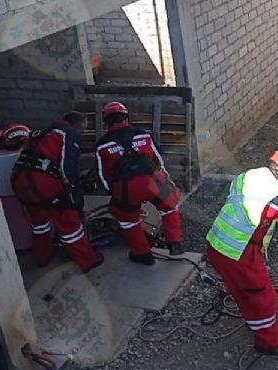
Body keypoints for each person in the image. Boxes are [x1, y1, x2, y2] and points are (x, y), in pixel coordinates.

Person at [205, 147, 278, 357]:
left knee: (242, 291)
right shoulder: (276, 196)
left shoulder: (250, 175)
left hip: (218, 242)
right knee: (263, 298)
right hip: (238, 252)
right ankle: (268, 343)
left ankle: (254, 322)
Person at [11, 112, 103, 272]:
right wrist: (74, 195)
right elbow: (68, 168)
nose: (81, 133)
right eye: (82, 129)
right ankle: (87, 260)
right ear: (76, 124)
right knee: (69, 223)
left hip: (19, 180)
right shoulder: (68, 133)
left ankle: (42, 256)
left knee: (39, 222)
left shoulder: (38, 132)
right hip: (42, 182)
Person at [95, 101, 183, 266]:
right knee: (170, 206)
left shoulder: (102, 146)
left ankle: (143, 255)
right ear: (126, 117)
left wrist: (117, 195)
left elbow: (103, 176)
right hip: (153, 181)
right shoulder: (144, 135)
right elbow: (159, 160)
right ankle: (174, 243)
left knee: (126, 218)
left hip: (127, 188)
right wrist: (166, 182)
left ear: (106, 122)